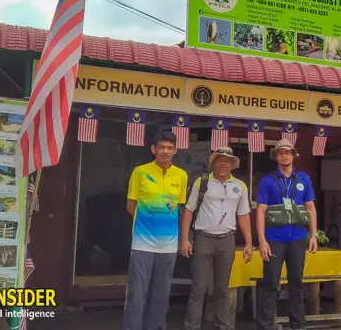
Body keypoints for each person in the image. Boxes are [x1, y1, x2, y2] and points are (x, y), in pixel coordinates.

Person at [122, 127, 188, 330]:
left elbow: (178, 206)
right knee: (137, 293)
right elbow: (130, 205)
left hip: (168, 246)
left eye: (170, 148)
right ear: (153, 149)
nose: (166, 151)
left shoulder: (181, 175)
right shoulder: (140, 172)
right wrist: (147, 224)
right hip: (142, 244)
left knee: (161, 295)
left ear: (175, 150)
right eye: (161, 147)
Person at [180, 146, 254, 330]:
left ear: (232, 165)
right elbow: (188, 211)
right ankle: (192, 327)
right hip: (203, 238)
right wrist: (184, 239)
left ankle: (223, 326)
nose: (223, 163)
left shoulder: (240, 186)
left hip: (227, 240)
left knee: (223, 289)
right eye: (220, 160)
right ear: (213, 162)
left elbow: (243, 215)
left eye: (227, 160)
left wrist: (249, 243)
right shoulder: (201, 183)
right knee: (199, 288)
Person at [255, 139, 318, 330]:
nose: (284, 155)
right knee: (270, 284)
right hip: (273, 239)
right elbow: (261, 211)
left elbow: (311, 208)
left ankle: (298, 325)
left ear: (293, 155)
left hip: (298, 238)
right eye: (280, 152)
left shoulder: (304, 179)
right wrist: (262, 241)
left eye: (287, 152)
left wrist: (313, 235)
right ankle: (266, 325)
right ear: (276, 156)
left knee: (297, 284)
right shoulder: (267, 180)